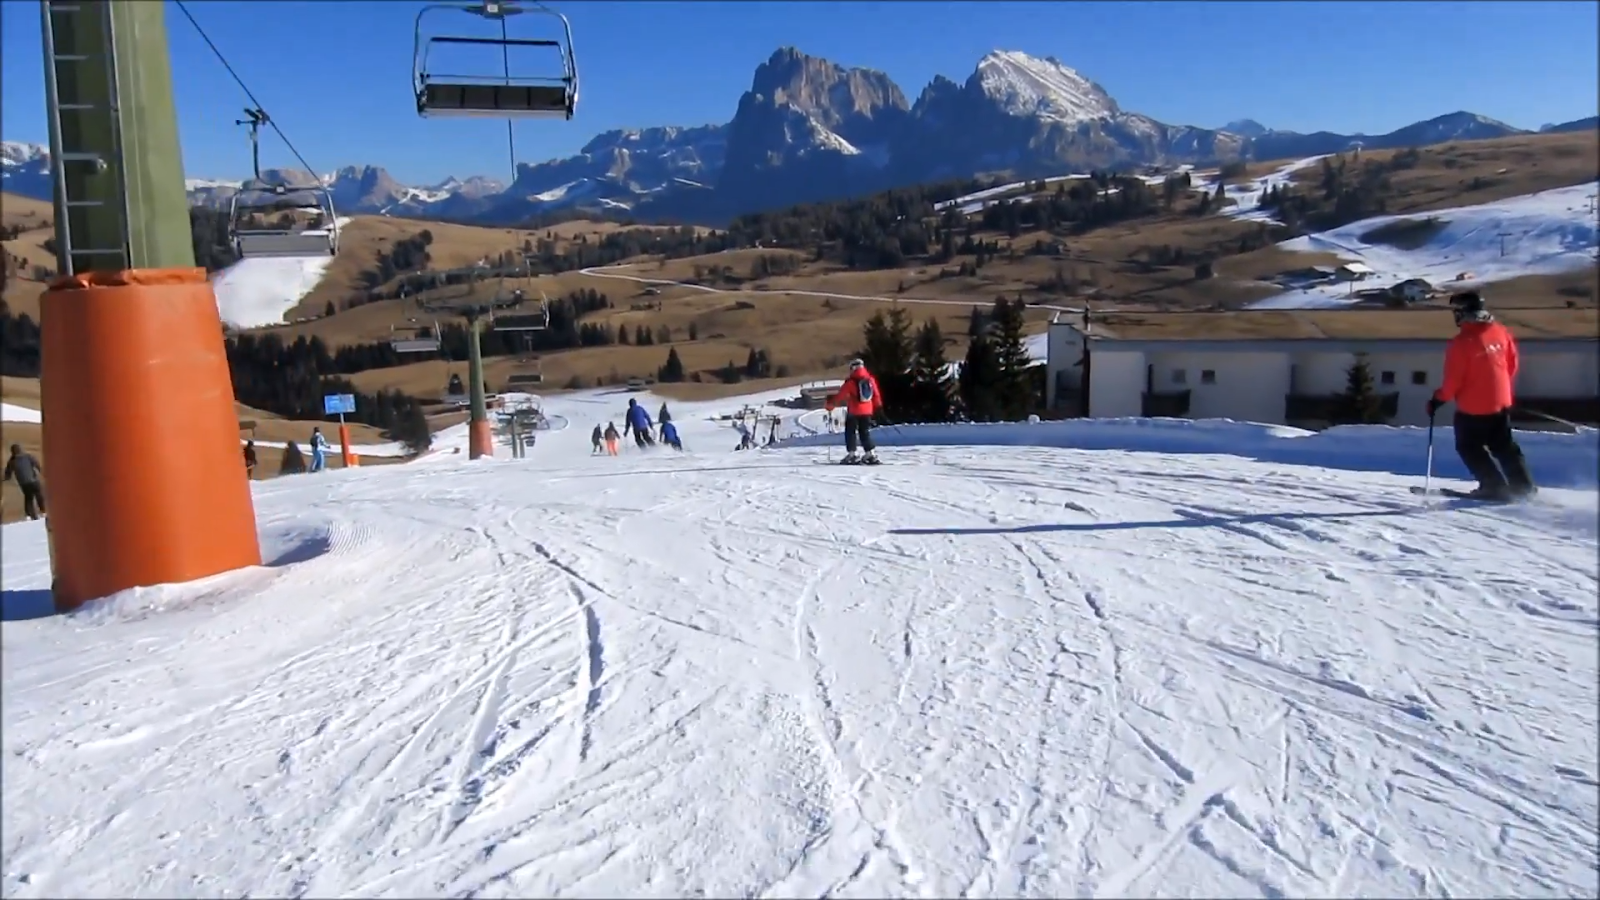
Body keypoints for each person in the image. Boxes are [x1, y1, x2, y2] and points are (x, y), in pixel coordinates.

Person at [1427, 291, 1536, 500]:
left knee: (1468, 446)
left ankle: (1494, 486)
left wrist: (1439, 399)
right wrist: (1500, 390)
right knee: (1504, 445)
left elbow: (1453, 381)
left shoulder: (1461, 343)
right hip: (1501, 401)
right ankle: (1523, 487)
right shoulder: (1500, 332)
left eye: (1456, 311)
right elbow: (1511, 364)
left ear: (1462, 312)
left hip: (1473, 406)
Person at [826, 358, 885, 464]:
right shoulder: (870, 379)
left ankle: (853, 454)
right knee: (865, 432)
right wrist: (879, 407)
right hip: (868, 411)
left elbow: (840, 396)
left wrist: (830, 405)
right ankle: (870, 453)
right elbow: (876, 395)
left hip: (854, 411)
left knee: (850, 432)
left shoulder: (850, 382)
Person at [3, 443, 46, 520]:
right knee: (39, 495)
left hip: (24, 484)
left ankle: (29, 516)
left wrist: (4, 479)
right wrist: (41, 471)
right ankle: (43, 512)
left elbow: (7, 475)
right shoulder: (28, 456)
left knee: (28, 498)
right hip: (33, 481)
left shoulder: (11, 461)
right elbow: (36, 464)